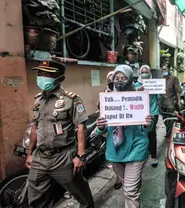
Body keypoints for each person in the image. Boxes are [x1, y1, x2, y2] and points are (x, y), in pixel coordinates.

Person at [26, 60, 94, 208]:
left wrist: (80, 155)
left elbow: (81, 127)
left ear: (60, 78)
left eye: (47, 74)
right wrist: (29, 152)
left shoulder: (71, 99)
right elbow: (34, 127)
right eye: (40, 73)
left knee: (82, 195)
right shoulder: (38, 100)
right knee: (36, 199)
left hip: (63, 158)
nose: (42, 77)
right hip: (40, 157)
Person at [96, 65, 153, 208]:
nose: (120, 81)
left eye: (124, 78)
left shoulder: (138, 98)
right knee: (128, 186)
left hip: (136, 148)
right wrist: (101, 126)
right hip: (115, 150)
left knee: (130, 192)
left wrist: (147, 123)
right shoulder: (107, 99)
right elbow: (101, 130)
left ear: (130, 79)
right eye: (117, 78)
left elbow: (148, 127)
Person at [136, 65, 160, 167]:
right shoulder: (136, 85)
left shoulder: (154, 84)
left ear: (150, 73)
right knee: (141, 134)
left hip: (153, 112)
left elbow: (158, 97)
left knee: (151, 134)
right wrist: (138, 90)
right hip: (140, 113)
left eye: (146, 72)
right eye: (143, 72)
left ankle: (153, 156)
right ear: (140, 73)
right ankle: (144, 153)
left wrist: (153, 90)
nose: (144, 74)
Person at [160, 64, 181, 138]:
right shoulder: (160, 79)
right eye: (162, 69)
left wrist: (179, 101)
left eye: (165, 69)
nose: (164, 71)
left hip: (171, 102)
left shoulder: (173, 78)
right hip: (162, 103)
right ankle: (168, 132)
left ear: (168, 70)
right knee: (165, 119)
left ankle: (170, 134)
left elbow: (178, 91)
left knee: (171, 119)